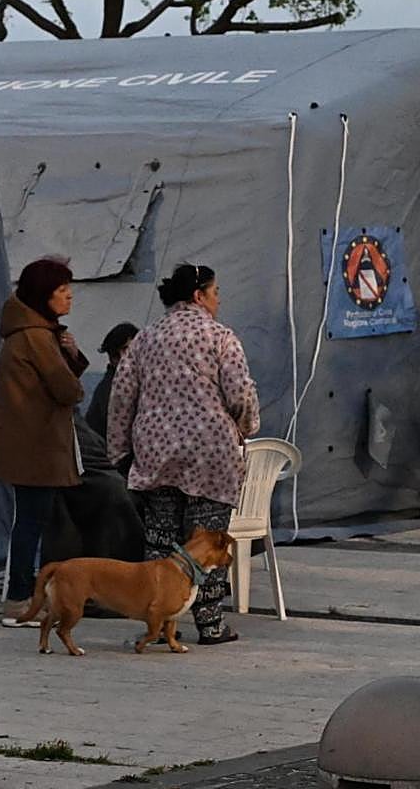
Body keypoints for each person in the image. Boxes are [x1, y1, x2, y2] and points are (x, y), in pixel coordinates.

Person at [107, 263, 260, 644]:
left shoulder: (144, 340)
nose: (218, 299)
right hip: (211, 455)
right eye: (215, 291)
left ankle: (157, 625)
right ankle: (210, 624)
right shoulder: (221, 338)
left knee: (161, 543)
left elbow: (122, 399)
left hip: (157, 454)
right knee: (208, 542)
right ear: (198, 296)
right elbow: (240, 393)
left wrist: (120, 452)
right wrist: (246, 427)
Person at [0, 257, 89, 626]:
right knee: (31, 522)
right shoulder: (34, 336)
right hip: (36, 446)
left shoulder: (37, 333)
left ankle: (27, 593)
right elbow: (67, 389)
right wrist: (72, 371)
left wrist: (71, 352)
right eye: (62, 292)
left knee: (33, 520)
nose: (69, 298)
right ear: (43, 296)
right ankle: (19, 599)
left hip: (34, 444)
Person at [84, 322, 139, 439]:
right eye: (115, 355)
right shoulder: (110, 388)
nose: (123, 358)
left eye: (127, 350)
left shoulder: (144, 379)